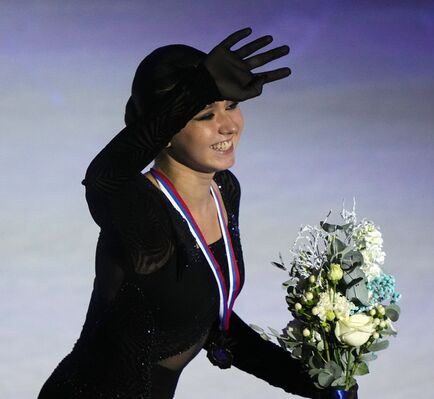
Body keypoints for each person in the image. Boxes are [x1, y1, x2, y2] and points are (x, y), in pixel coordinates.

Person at [37, 28, 347, 399]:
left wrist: (306, 380)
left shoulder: (225, 191)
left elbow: (206, 319)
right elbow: (104, 178)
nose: (229, 125)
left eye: (231, 105)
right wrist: (195, 88)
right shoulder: (139, 209)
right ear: (163, 128)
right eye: (204, 114)